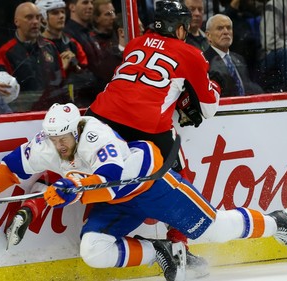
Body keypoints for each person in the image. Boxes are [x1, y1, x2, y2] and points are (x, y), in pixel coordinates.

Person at [0, 102, 287, 281]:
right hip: (113, 200)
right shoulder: (49, 144)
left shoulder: (96, 135)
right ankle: (163, 251)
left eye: (63, 139)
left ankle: (276, 221)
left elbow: (110, 179)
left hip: (148, 186)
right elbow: (13, 167)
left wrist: (73, 187)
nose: (59, 145)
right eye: (53, 140)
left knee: (215, 229)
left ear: (76, 129)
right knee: (93, 251)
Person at [85, 0, 220, 274]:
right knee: (181, 177)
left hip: (97, 117)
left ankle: (33, 206)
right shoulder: (190, 53)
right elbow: (208, 108)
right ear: (178, 27)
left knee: (84, 169)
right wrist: (210, 86)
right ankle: (177, 247)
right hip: (146, 126)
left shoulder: (136, 43)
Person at [0, 2, 67, 112]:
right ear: (17, 21)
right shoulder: (6, 52)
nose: (35, 22)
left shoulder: (49, 47)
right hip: (25, 115)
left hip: (53, 111)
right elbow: (8, 92)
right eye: (29, 18)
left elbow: (61, 81)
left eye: (38, 17)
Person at [203, 14, 263, 97]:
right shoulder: (204, 60)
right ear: (208, 35)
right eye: (220, 28)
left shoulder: (239, 59)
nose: (226, 32)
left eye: (228, 28)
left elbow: (248, 87)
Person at [63, 0, 106, 104]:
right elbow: (77, 72)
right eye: (85, 2)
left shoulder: (89, 32)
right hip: (82, 99)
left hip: (97, 96)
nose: (91, 6)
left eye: (91, 2)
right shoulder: (67, 35)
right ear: (72, 7)